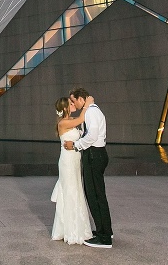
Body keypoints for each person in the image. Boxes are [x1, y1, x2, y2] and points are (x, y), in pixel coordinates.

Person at [64, 87, 113, 248]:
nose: (73, 104)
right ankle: (105, 230)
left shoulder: (91, 112)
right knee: (98, 194)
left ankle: (104, 237)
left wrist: (76, 146)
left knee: (94, 195)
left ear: (81, 99)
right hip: (98, 154)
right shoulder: (94, 110)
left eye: (73, 101)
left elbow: (91, 136)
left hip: (94, 155)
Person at [51, 95, 93, 244]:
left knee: (77, 190)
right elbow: (81, 119)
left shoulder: (69, 122)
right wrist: (87, 104)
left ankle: (78, 228)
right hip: (67, 162)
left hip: (75, 160)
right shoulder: (63, 123)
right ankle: (71, 231)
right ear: (65, 108)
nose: (73, 104)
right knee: (71, 192)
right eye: (70, 103)